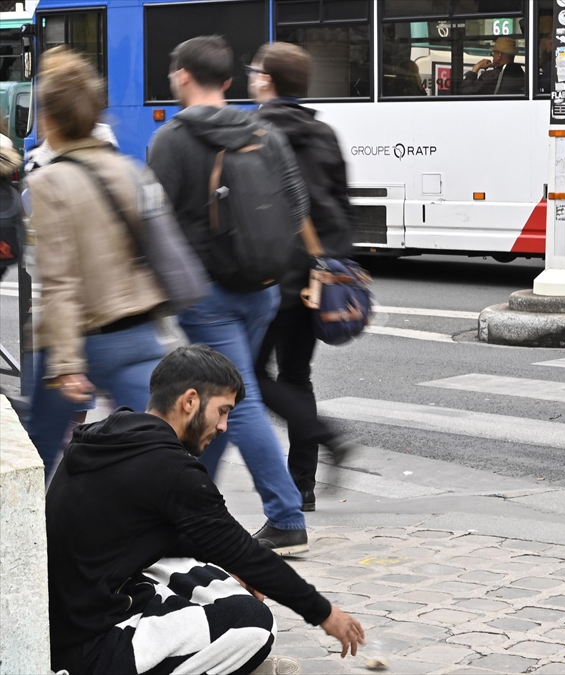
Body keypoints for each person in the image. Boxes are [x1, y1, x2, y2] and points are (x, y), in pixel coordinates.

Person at [46, 345, 366, 675]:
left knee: (217, 574)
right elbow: (246, 553)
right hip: (90, 647)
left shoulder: (108, 434)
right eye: (222, 411)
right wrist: (326, 614)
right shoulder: (172, 470)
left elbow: (182, 539)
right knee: (254, 623)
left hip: (72, 616)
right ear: (190, 401)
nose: (224, 426)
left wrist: (236, 564)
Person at [148, 35, 312, 554]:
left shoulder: (172, 139)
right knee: (227, 393)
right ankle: (191, 503)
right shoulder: (262, 128)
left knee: (234, 402)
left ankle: (285, 516)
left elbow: (156, 223)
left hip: (208, 295)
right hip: (263, 287)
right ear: (227, 82)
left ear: (181, 76)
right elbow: (295, 202)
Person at [23, 47, 169, 480]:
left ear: (50, 119)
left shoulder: (48, 181)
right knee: (152, 453)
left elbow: (60, 281)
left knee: (38, 457)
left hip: (78, 341)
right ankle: (164, 536)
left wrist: (66, 364)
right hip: (139, 332)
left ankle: (29, 543)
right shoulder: (129, 169)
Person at [249, 42, 359, 512]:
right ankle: (303, 486)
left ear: (268, 81)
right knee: (297, 375)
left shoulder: (255, 132)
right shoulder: (323, 133)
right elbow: (342, 201)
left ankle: (325, 436)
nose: (252, 78)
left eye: (255, 72)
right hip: (320, 276)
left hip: (275, 274)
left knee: (248, 376)